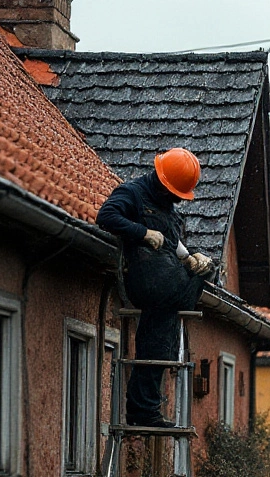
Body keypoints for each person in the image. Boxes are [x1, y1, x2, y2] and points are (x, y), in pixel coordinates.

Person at [96, 148, 215, 428]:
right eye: (174, 193)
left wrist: (193, 259)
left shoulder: (168, 212)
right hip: (143, 281)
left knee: (161, 339)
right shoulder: (132, 193)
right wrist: (143, 233)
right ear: (163, 183)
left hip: (163, 283)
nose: (176, 200)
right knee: (170, 316)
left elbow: (177, 249)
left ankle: (145, 410)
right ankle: (143, 409)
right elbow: (106, 216)